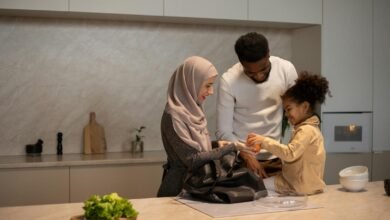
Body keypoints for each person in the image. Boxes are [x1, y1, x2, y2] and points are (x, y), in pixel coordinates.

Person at [157, 56, 251, 197]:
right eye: (207, 85)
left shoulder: (192, 110)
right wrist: (231, 147)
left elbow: (194, 149)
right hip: (179, 190)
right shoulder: (174, 115)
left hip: (197, 187)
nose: (211, 91)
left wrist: (217, 144)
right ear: (191, 83)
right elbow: (192, 160)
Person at [216, 32, 298, 176]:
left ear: (268, 54)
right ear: (241, 63)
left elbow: (297, 116)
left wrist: (291, 152)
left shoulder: (286, 70)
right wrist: (246, 154)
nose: (259, 76)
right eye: (251, 74)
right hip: (240, 159)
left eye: (264, 69)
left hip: (277, 157)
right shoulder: (228, 80)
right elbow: (224, 132)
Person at [246, 71, 330, 195]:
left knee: (256, 187)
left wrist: (264, 141)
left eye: (289, 109)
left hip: (296, 185)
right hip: (307, 185)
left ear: (305, 107)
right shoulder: (311, 129)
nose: (286, 114)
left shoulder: (306, 130)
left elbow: (290, 153)